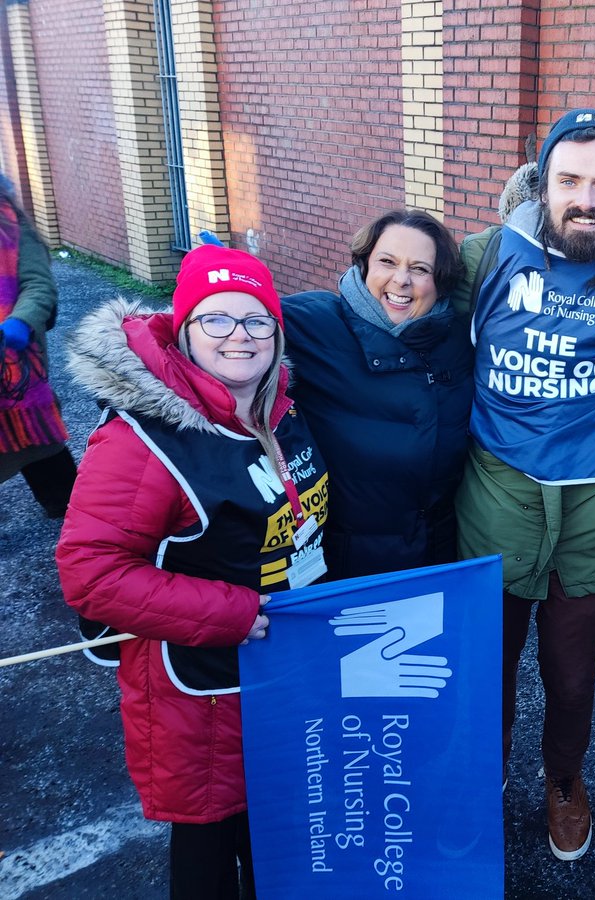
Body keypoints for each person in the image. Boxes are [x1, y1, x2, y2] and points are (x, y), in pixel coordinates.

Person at [56, 245, 329, 899]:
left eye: (257, 320)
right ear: (184, 329)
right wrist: (231, 613)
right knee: (209, 844)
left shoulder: (276, 407)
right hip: (200, 692)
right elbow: (89, 571)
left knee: (277, 834)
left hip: (277, 668)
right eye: (217, 319)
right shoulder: (141, 439)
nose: (240, 335)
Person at [453, 108, 595, 861]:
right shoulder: (485, 254)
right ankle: (481, 776)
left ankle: (564, 781)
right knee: (488, 670)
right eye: (570, 181)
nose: (586, 199)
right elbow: (401, 319)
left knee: (573, 680)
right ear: (543, 184)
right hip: (496, 496)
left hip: (592, 506)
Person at [283, 209, 472, 578]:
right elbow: (227, 325)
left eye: (420, 269)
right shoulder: (313, 326)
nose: (401, 280)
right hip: (346, 566)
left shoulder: (460, 340)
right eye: (387, 262)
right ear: (365, 264)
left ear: (440, 280)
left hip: (438, 555)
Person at [0, 178, 77, 517]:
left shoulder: (13, 230)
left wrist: (21, 321)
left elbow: (38, 285)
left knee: (37, 438)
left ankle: (69, 504)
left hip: (13, 362)